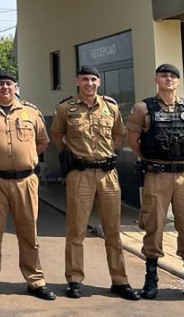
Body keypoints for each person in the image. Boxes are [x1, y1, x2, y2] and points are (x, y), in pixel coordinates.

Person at [126, 63, 184, 302]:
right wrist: (153, 159)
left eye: (173, 76)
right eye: (164, 75)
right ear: (156, 79)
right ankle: (151, 278)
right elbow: (134, 141)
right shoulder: (143, 108)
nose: (168, 79)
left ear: (178, 80)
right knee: (153, 224)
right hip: (156, 174)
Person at [0, 70, 56, 302]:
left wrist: (23, 159)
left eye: (8, 83)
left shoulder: (31, 112)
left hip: (25, 181)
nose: (4, 87)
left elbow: (42, 142)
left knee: (29, 232)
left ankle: (35, 280)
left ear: (15, 86)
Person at [51, 66, 139, 300]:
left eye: (93, 79)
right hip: (79, 174)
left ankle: (120, 281)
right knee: (76, 230)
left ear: (99, 82)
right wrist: (72, 153)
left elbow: (117, 135)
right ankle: (75, 279)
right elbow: (57, 136)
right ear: (77, 81)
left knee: (113, 230)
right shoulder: (65, 109)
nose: (89, 83)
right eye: (84, 79)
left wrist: (104, 152)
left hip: (107, 174)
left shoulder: (111, 107)